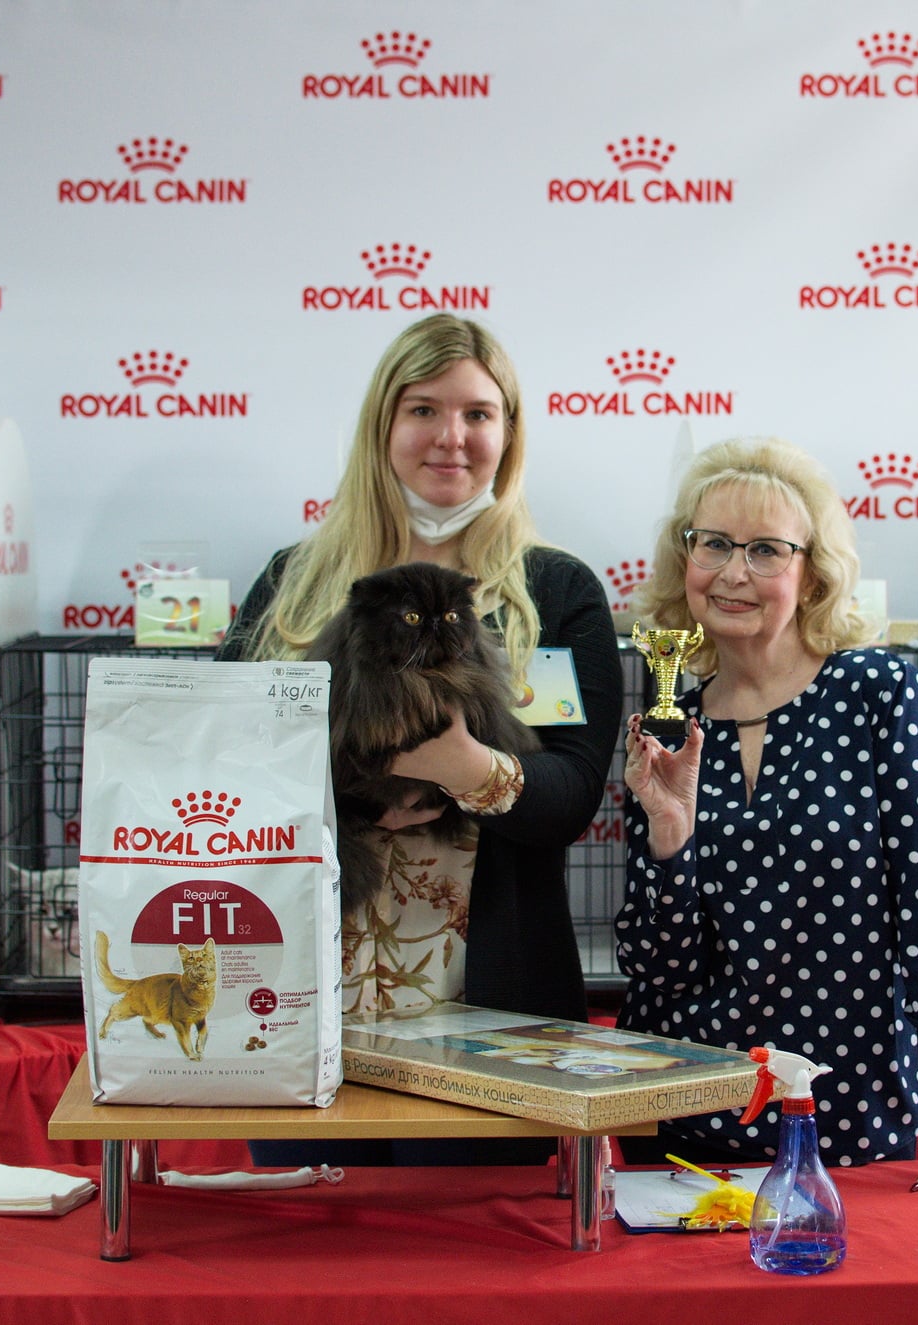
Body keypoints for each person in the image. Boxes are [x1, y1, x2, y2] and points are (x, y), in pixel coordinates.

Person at [219, 313, 622, 1163]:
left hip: (494, 1007)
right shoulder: (294, 582)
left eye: (478, 413)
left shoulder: (557, 591)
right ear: (383, 424)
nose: (452, 437)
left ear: (508, 433)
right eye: (423, 410)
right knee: (315, 1223)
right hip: (300, 1003)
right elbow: (225, 762)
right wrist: (351, 793)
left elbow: (574, 797)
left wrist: (466, 768)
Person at [616, 437, 918, 1202]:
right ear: (684, 559)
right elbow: (659, 968)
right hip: (688, 1121)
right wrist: (671, 844)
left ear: (813, 573)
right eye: (714, 544)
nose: (734, 572)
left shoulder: (877, 693)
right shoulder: (668, 723)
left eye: (766, 549)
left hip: (852, 1120)